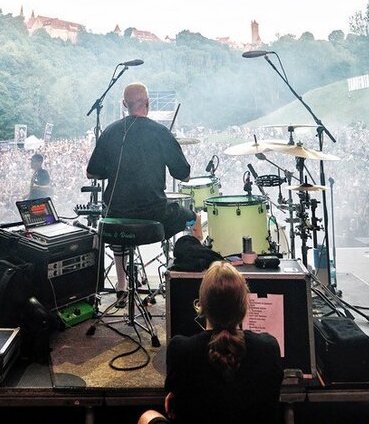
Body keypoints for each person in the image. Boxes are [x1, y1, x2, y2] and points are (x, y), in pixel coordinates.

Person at [140, 261, 283, 424]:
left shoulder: (179, 349)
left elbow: (176, 400)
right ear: (243, 306)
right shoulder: (269, 347)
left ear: (202, 304)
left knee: (147, 416)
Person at [87, 83, 197, 292]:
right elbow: (183, 174)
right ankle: (184, 281)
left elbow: (91, 173)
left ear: (124, 104)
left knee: (118, 223)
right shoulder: (160, 132)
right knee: (192, 217)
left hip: (116, 217)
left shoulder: (110, 131)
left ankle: (121, 284)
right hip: (154, 217)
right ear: (148, 102)